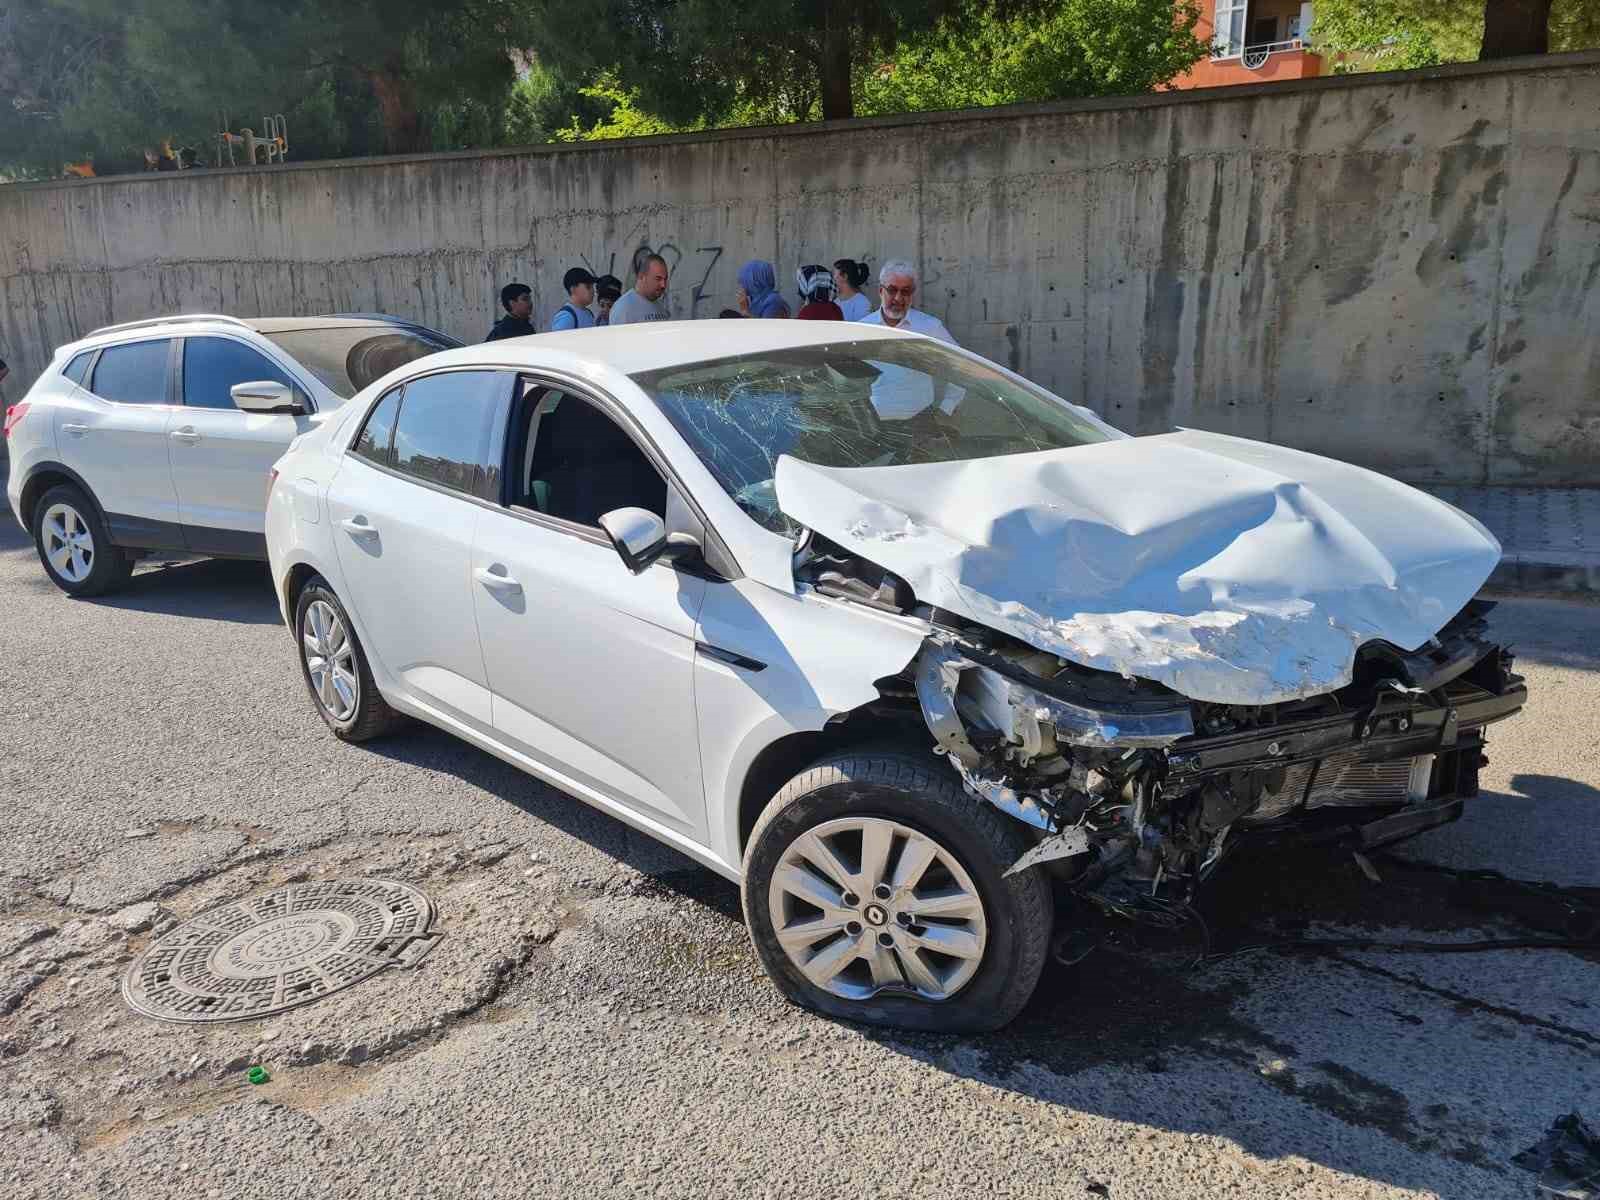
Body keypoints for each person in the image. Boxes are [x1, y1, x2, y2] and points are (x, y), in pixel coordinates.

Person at [859, 260, 955, 344]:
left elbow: (956, 360)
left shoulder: (931, 327)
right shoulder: (863, 328)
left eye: (905, 291)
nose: (898, 298)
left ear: (912, 293)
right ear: (880, 291)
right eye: (892, 290)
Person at [608, 255, 670, 325]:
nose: (663, 285)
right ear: (641, 277)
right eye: (658, 279)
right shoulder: (623, 308)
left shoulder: (659, 305)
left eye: (665, 279)